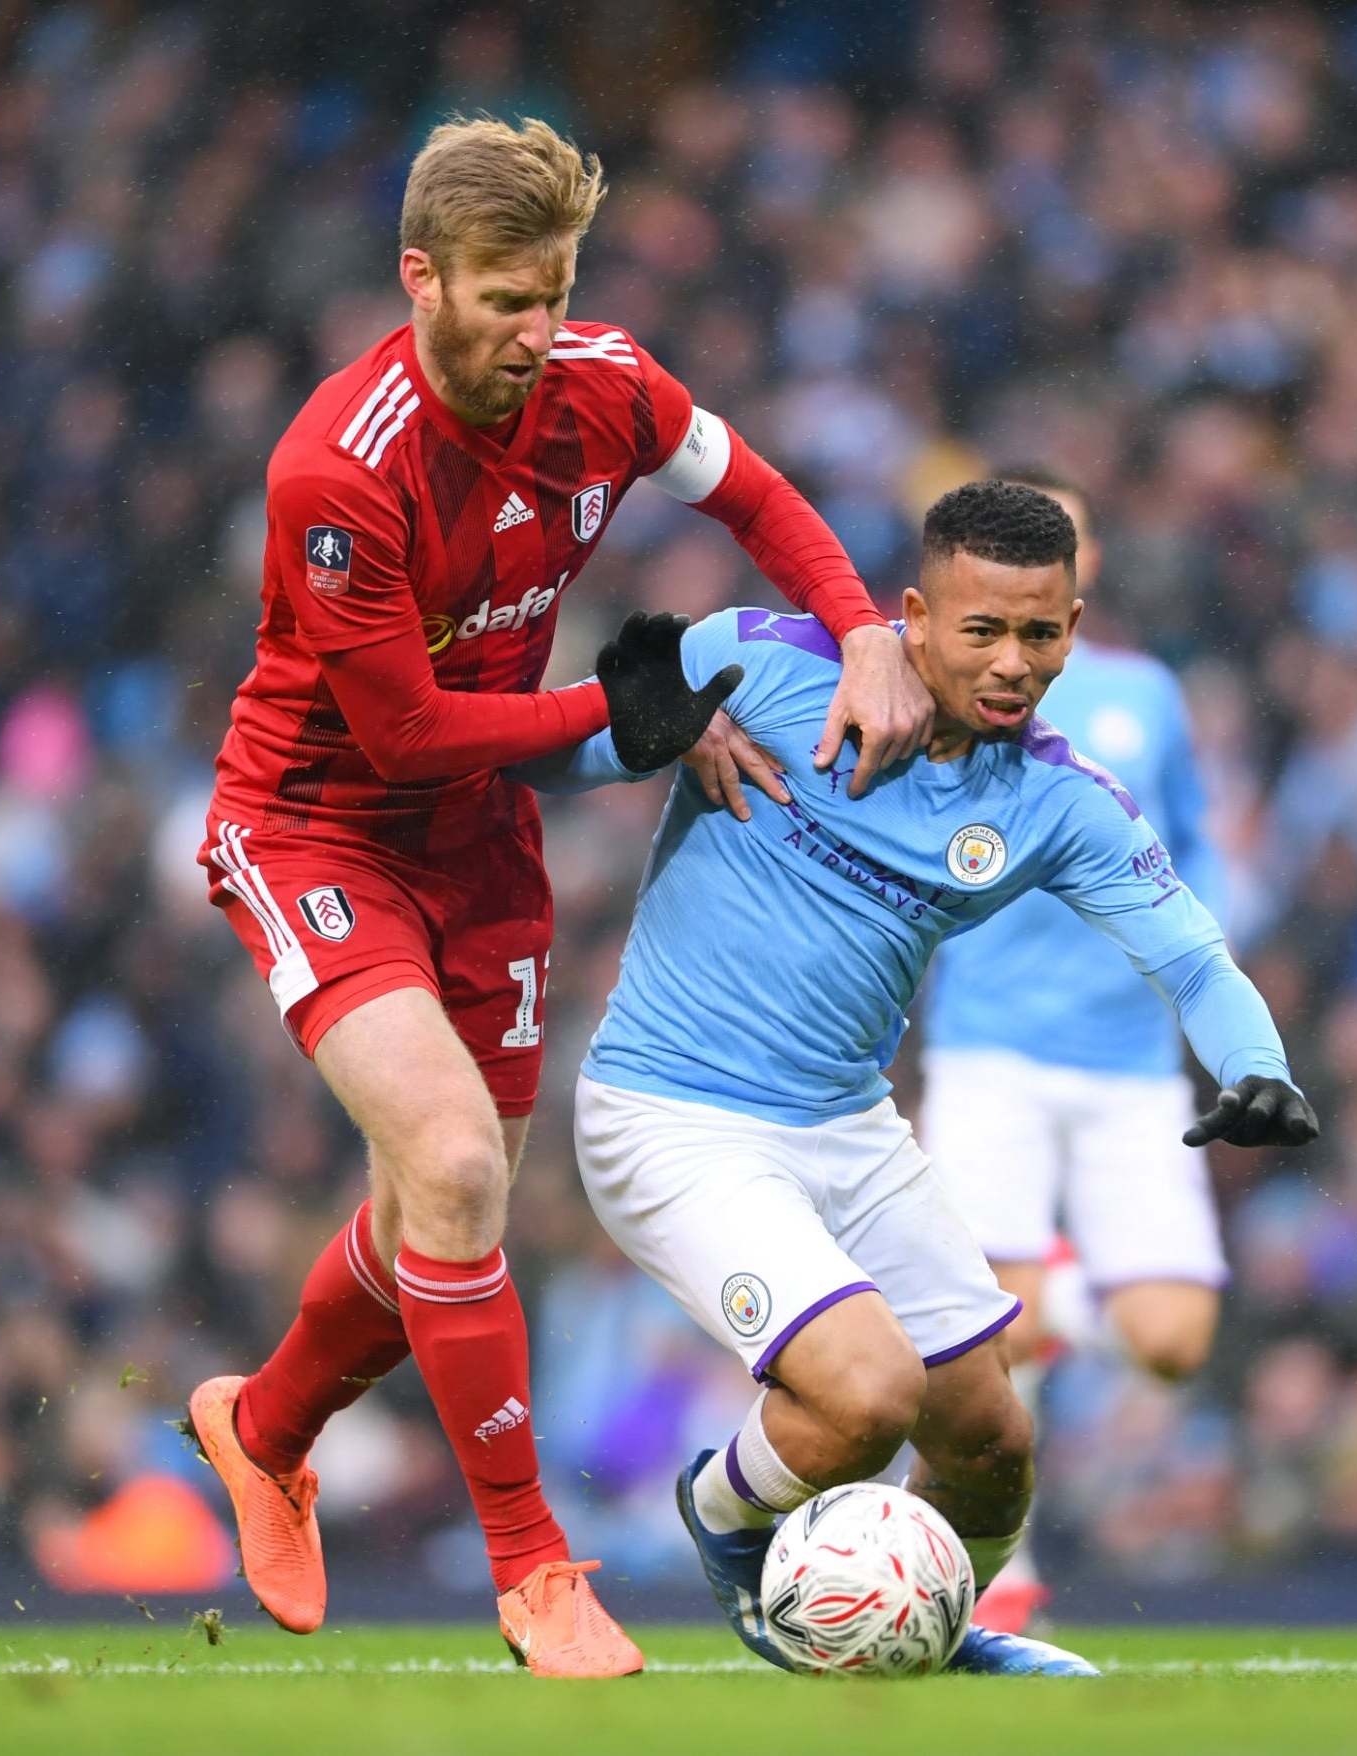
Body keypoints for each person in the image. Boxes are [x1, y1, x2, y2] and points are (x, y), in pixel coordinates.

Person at [183, 116, 932, 1678]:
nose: (537, 332)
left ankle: (260, 1432)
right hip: (319, 827)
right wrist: (619, 716)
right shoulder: (341, 465)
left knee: (435, 1220)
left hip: (482, 844)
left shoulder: (603, 382)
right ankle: (533, 1575)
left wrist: (859, 626)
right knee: (454, 1165)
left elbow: (757, 495)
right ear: (421, 280)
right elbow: (399, 730)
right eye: (505, 299)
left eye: (556, 293)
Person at [518, 481, 1318, 1673]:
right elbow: (546, 758)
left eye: (1040, 634)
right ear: (913, 614)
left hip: (849, 1128)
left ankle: (937, 1635)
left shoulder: (1056, 799)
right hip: (672, 1113)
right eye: (981, 630)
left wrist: (1258, 1064)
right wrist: (625, 724)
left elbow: (1191, 953)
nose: (1011, 663)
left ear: (1074, 627)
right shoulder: (766, 663)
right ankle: (724, 1515)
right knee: (866, 1392)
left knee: (993, 1442)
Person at [917, 465, 1231, 1633]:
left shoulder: (1145, 697)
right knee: (984, 1341)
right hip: (989, 1049)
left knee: (1170, 1342)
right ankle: (1004, 1570)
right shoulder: (947, 690)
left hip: (1129, 1060)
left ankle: (1050, 1284)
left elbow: (1198, 846)